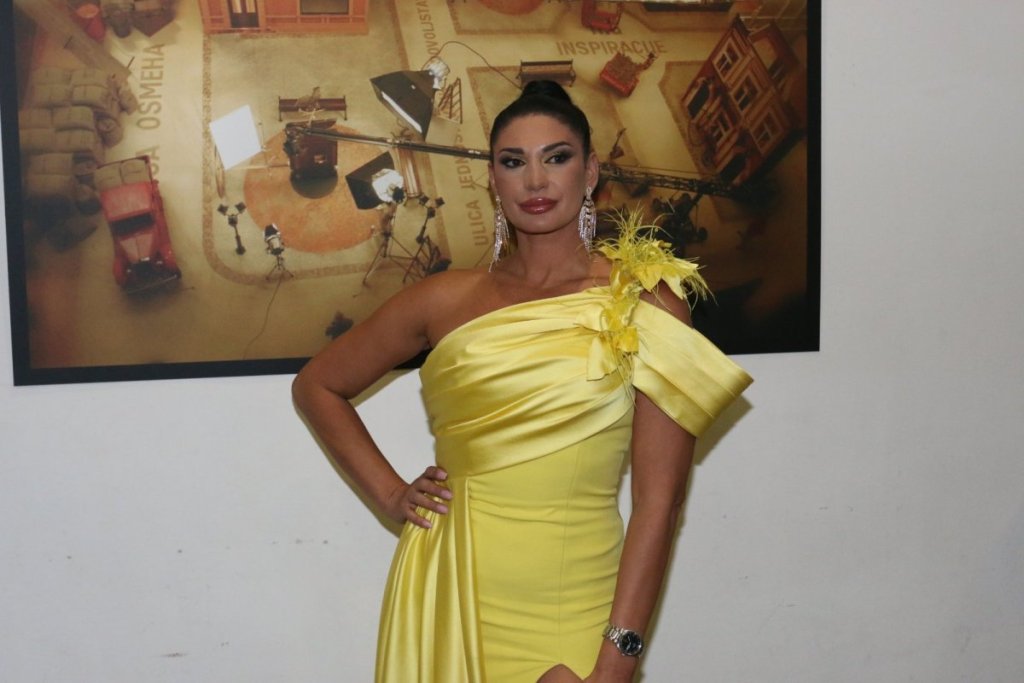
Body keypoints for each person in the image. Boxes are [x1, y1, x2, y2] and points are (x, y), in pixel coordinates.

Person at [292, 81, 752, 682]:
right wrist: (391, 495)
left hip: (573, 608)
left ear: (590, 172)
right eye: (514, 162)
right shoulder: (443, 299)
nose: (535, 181)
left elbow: (660, 503)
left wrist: (618, 662)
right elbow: (318, 386)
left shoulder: (645, 299)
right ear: (493, 179)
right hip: (446, 588)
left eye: (556, 158)